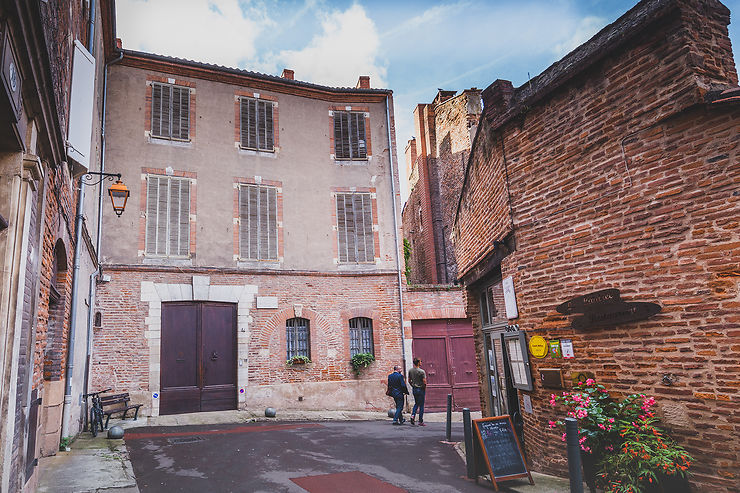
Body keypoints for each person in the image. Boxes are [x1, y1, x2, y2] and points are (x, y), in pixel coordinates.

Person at [408, 357, 427, 426]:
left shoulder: (410, 370)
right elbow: (424, 382)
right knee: (421, 405)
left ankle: (413, 415)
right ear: (418, 363)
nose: (421, 362)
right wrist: (424, 387)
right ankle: (420, 421)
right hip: (421, 389)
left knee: (416, 403)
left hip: (414, 389)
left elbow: (409, 380)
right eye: (420, 361)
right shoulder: (422, 371)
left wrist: (412, 385)